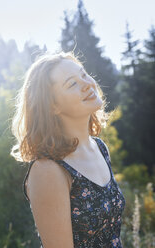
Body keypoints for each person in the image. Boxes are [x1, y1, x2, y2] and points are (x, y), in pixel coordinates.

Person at [10, 51, 126, 247]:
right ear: (53, 106)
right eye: (72, 83)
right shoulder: (47, 170)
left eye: (83, 74)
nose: (88, 84)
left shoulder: (99, 147)